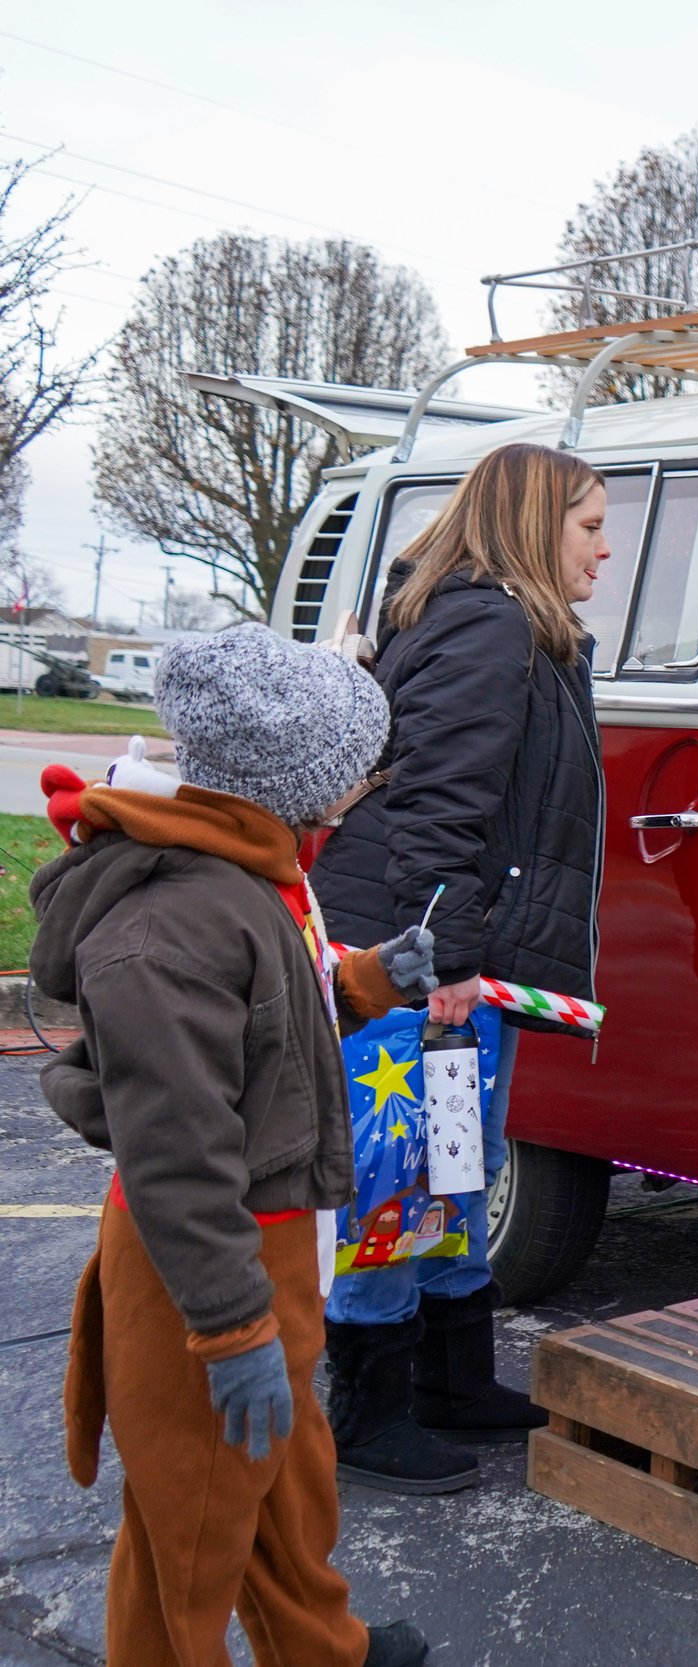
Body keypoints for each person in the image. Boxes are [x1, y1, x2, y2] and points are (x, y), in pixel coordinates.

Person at [32, 624, 438, 1667]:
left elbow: (269, 1037)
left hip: (269, 1248)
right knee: (191, 1530)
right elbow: (176, 1148)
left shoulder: (250, 880)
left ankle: (319, 1646)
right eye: (359, 770)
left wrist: (365, 983)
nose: (364, 791)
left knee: (285, 1483)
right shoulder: (175, 923)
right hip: (208, 1270)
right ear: (301, 783)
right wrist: (229, 1327)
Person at [312, 441, 609, 1493]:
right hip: (418, 956)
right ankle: (371, 1404)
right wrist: (439, 957)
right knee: (400, 1170)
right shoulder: (491, 625)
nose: (604, 549)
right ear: (533, 524)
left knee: (452, 1161)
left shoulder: (499, 622)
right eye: (588, 526)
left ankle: (449, 1377)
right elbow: (441, 804)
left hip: (435, 954)